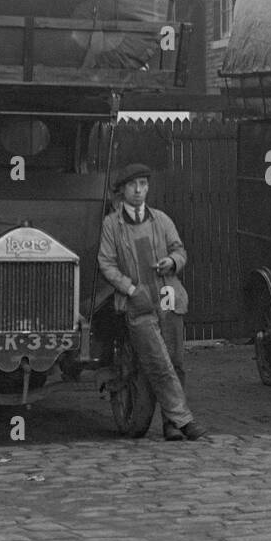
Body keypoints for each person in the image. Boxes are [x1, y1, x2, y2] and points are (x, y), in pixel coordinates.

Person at [96, 163, 207, 441]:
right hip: (137, 301)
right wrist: (130, 288)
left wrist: (172, 262)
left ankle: (171, 424)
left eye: (144, 184)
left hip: (168, 296)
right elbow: (106, 264)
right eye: (133, 185)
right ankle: (185, 420)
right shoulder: (112, 225)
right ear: (122, 191)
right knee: (159, 361)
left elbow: (179, 250)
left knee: (176, 360)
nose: (139, 190)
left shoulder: (161, 220)